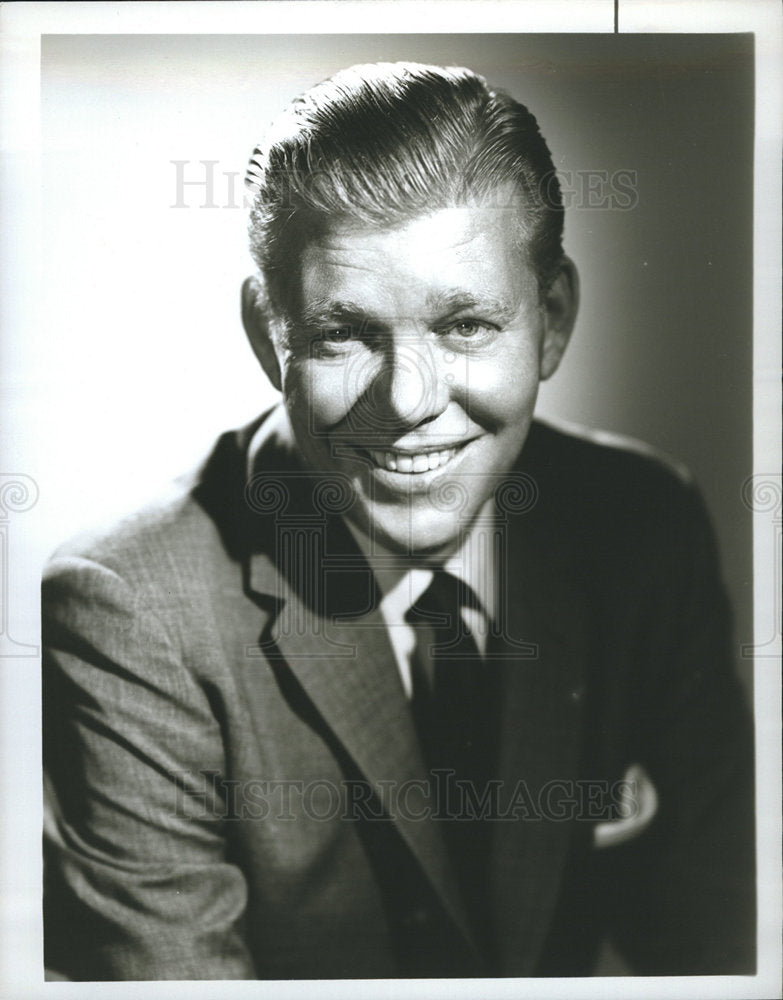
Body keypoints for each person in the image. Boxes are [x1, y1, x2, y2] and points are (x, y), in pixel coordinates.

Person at [42, 61, 755, 980]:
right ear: (271, 337)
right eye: (345, 334)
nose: (409, 403)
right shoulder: (130, 615)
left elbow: (721, 944)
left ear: (552, 318)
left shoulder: (641, 524)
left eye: (464, 325)